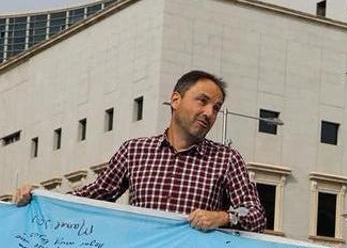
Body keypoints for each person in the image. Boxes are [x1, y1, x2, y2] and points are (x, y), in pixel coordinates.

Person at [14, 70, 265, 232]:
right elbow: (93, 195)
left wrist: (221, 217)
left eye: (216, 108)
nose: (209, 113)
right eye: (202, 101)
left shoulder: (226, 159)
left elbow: (255, 215)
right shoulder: (135, 151)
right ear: (176, 100)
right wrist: (39, 197)